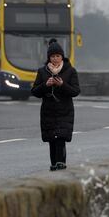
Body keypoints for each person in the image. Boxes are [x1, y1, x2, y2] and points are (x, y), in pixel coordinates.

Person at [31, 39, 81, 171]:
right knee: (51, 139)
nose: (55, 59)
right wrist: (45, 85)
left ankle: (61, 163)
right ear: (49, 57)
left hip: (65, 110)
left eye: (58, 56)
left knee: (60, 138)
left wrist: (62, 85)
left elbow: (76, 91)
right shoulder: (42, 71)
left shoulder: (70, 71)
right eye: (52, 56)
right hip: (48, 111)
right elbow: (34, 91)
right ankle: (53, 164)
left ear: (62, 56)